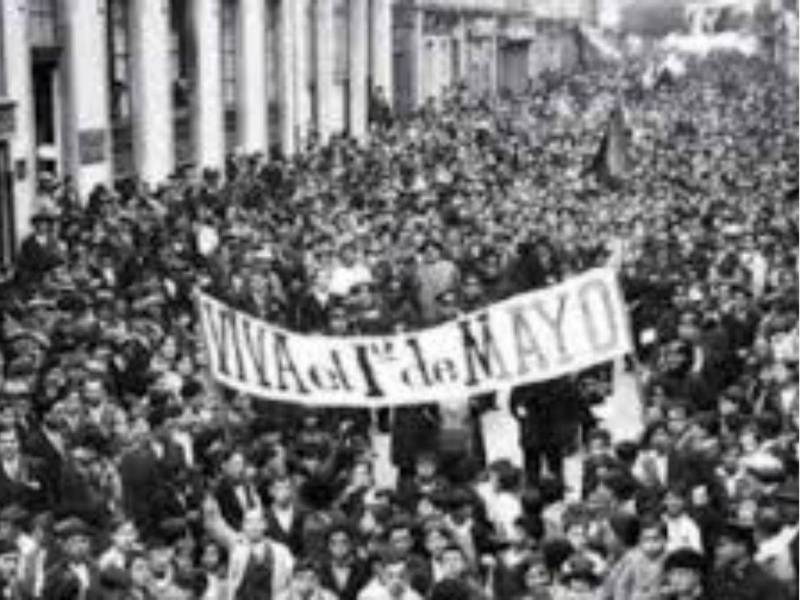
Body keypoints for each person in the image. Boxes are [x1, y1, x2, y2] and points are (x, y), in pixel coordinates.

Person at [708, 520, 791, 600]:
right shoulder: (718, 577)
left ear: (742, 547)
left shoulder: (765, 582)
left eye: (722, 545)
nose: (717, 551)